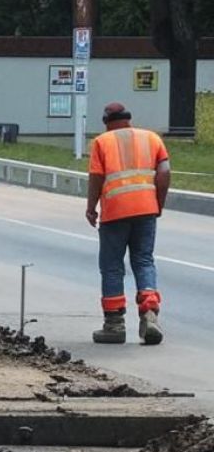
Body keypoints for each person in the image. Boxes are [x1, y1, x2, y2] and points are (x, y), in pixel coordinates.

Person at [86, 101, 170, 345]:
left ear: (106, 123)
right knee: (144, 261)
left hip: (115, 212)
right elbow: (164, 172)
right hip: (146, 210)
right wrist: (158, 204)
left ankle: (114, 325)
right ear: (128, 119)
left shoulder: (102, 142)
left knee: (112, 266)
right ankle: (150, 313)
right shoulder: (152, 138)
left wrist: (91, 207)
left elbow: (97, 176)